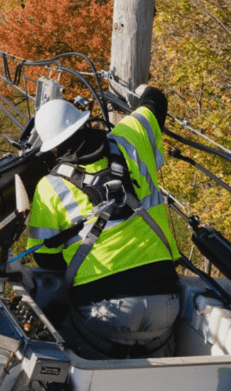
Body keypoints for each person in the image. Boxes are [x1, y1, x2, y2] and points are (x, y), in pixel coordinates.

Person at [27, 85, 181, 359]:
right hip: (166, 301)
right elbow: (156, 101)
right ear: (83, 122)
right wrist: (142, 90)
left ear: (51, 147)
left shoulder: (50, 187)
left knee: (65, 344)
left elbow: (45, 259)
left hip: (103, 311)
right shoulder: (130, 137)